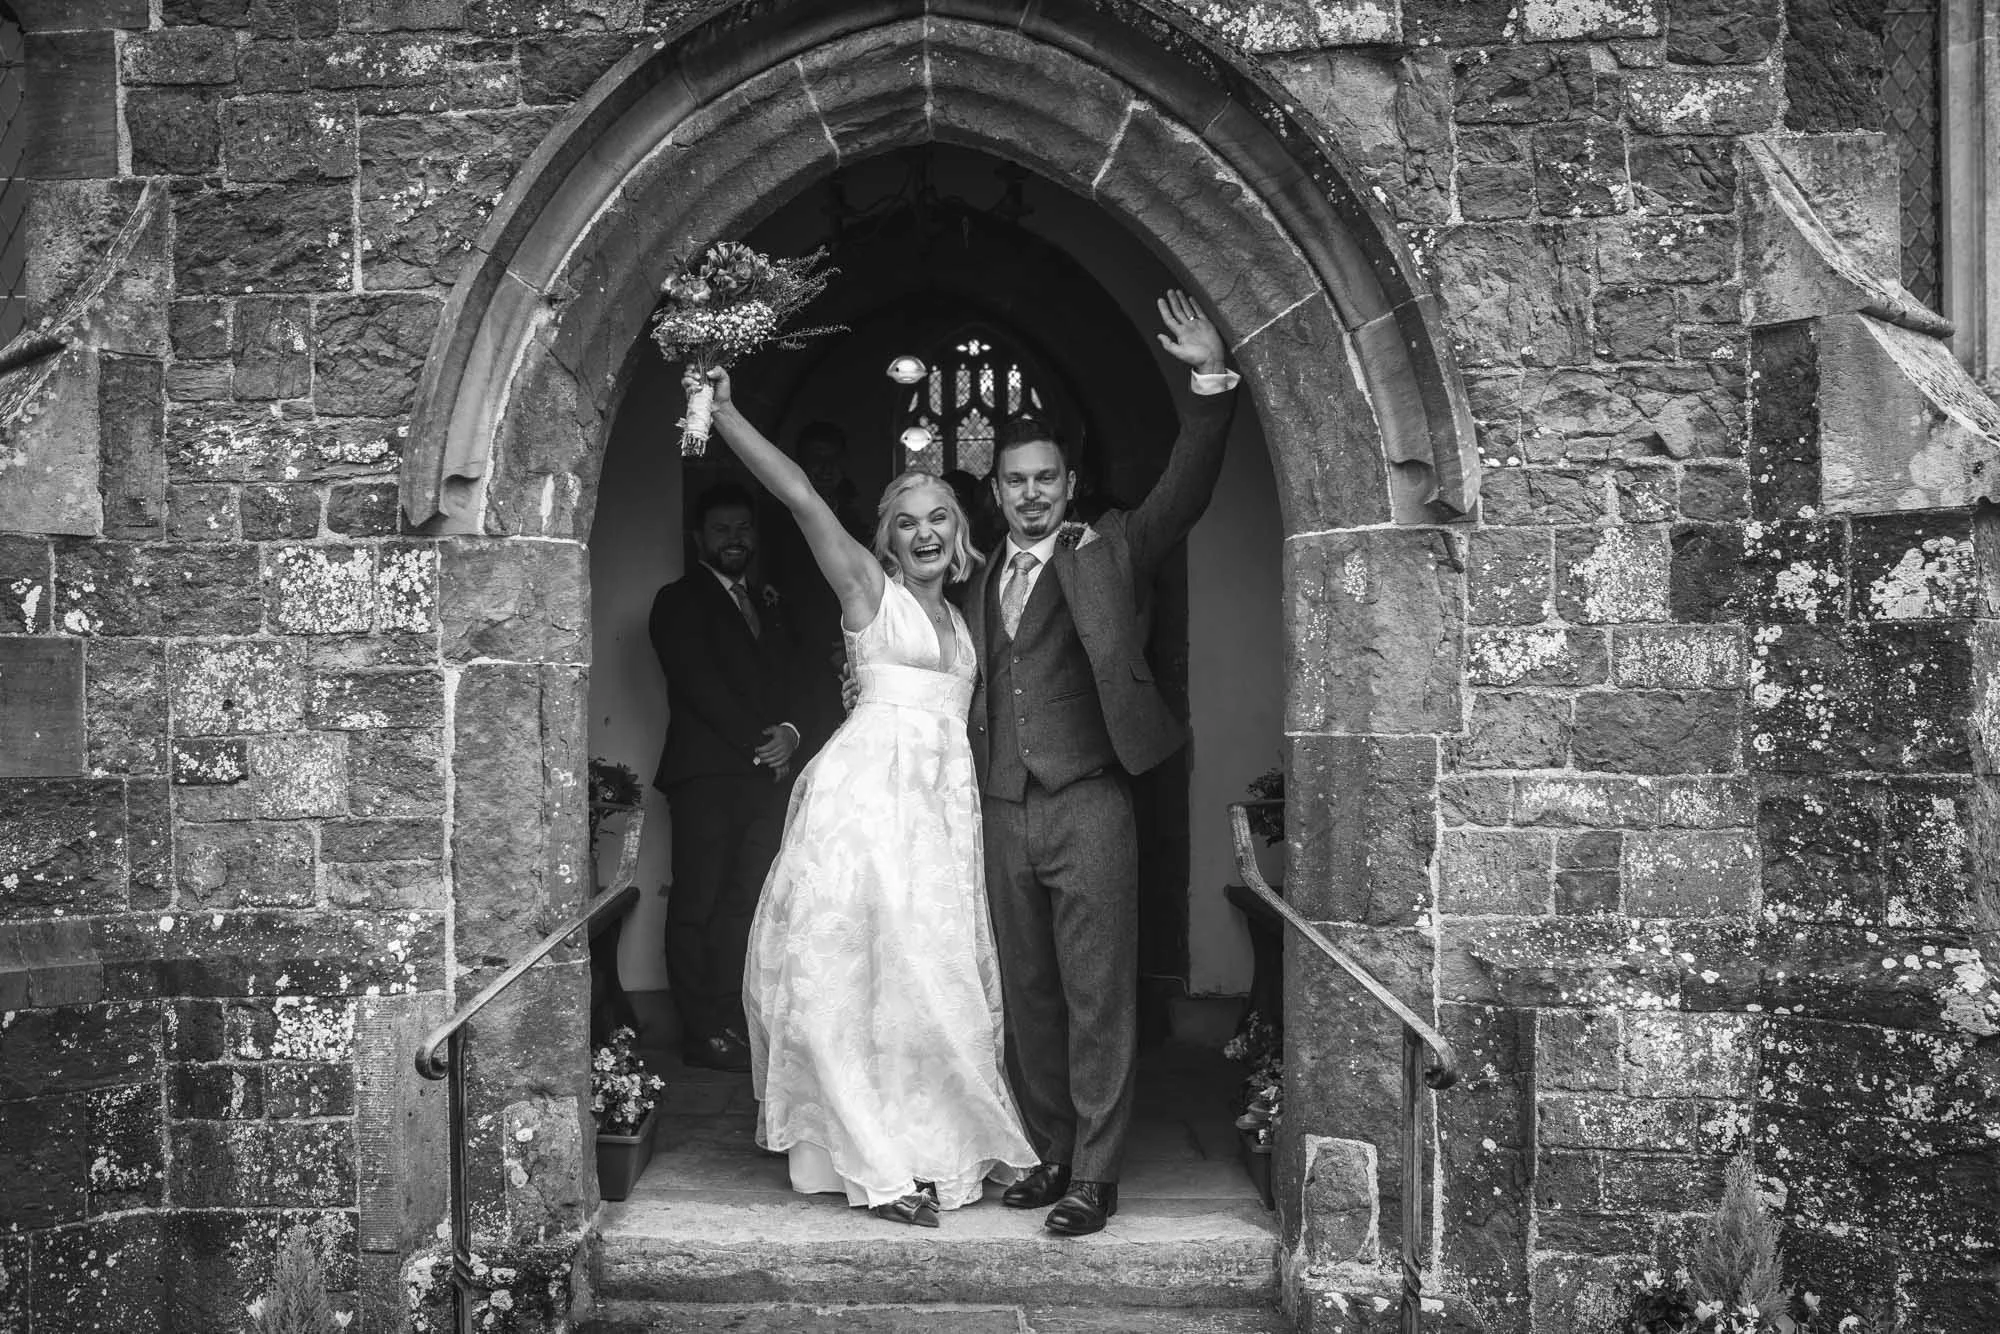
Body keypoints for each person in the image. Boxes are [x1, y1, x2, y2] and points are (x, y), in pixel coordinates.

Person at [688, 363, 1038, 1228]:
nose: (924, 535)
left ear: (961, 531)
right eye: (907, 524)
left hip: (941, 817)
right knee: (855, 979)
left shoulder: (966, 617)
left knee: (930, 983)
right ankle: (875, 1165)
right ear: (884, 538)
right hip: (866, 807)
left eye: (939, 521)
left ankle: (930, 1145)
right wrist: (726, 411)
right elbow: (804, 496)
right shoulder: (867, 592)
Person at [966, 289, 1238, 1238]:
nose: (1031, 494)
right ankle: (1048, 1152)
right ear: (993, 490)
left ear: (1067, 483)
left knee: (1096, 991)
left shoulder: (1111, 547)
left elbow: (1186, 492)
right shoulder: (972, 576)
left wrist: (1207, 382)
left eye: (1045, 478)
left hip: (1089, 799)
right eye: (1015, 482)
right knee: (1030, 991)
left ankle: (1096, 1172)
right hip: (1004, 804)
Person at [649, 482, 809, 1074]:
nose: (734, 539)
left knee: (747, 902)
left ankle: (734, 1019)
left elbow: (799, 673)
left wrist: (791, 732)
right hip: (707, 778)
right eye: (722, 530)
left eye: (743, 528)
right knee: (698, 902)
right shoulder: (677, 601)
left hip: (767, 779)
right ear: (699, 540)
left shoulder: (771, 602)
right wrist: (759, 744)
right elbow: (699, 682)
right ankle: (699, 1031)